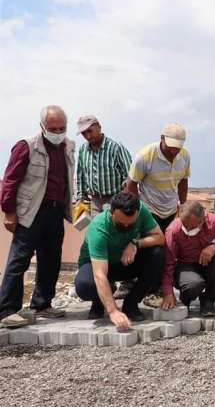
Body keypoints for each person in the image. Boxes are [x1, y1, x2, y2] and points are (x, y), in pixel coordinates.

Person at [0, 105, 75, 328]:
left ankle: (42, 304)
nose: (58, 132)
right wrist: (9, 212)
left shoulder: (67, 146)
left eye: (62, 128)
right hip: (31, 212)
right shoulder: (26, 146)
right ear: (42, 127)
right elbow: (10, 181)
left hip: (55, 210)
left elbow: (67, 179)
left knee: (51, 260)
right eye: (53, 128)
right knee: (19, 259)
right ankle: (6, 310)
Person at [74, 192, 165, 329]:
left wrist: (135, 243)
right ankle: (100, 299)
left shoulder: (141, 211)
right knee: (85, 286)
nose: (126, 227)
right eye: (121, 224)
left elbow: (160, 237)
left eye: (130, 224)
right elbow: (99, 274)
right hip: (99, 266)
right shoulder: (99, 226)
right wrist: (113, 311)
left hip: (125, 262)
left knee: (158, 254)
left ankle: (131, 303)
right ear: (111, 213)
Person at [125, 123, 189, 305]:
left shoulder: (184, 156)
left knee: (169, 249)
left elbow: (183, 180)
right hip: (149, 209)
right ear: (162, 139)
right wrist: (139, 211)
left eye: (178, 148)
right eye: (171, 147)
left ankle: (162, 289)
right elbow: (131, 184)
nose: (174, 151)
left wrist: (182, 205)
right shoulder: (145, 156)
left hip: (170, 210)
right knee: (154, 251)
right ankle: (149, 290)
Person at [161, 201, 215, 317]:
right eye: (185, 226)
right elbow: (168, 263)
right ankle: (185, 299)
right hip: (186, 267)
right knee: (194, 285)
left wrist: (214, 248)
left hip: (209, 265)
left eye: (192, 227)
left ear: (203, 220)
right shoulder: (173, 230)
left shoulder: (214, 222)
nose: (188, 230)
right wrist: (168, 292)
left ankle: (208, 301)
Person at [74, 115, 132, 217]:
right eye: (84, 133)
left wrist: (124, 201)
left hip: (115, 200)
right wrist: (81, 198)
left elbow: (129, 176)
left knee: (115, 230)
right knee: (97, 230)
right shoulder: (83, 150)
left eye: (90, 131)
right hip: (95, 202)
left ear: (99, 127)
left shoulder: (116, 147)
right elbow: (81, 176)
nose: (87, 136)